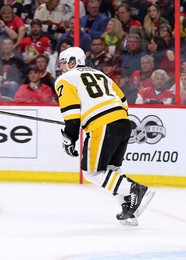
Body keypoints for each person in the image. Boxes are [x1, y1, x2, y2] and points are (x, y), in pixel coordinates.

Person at [55, 46, 155, 225]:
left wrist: (70, 137)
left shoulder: (65, 79)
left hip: (103, 126)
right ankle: (128, 207)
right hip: (123, 123)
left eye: (63, 63)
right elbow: (123, 101)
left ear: (72, 62)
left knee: (91, 173)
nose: (60, 67)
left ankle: (135, 189)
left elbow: (71, 114)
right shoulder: (102, 76)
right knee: (111, 169)